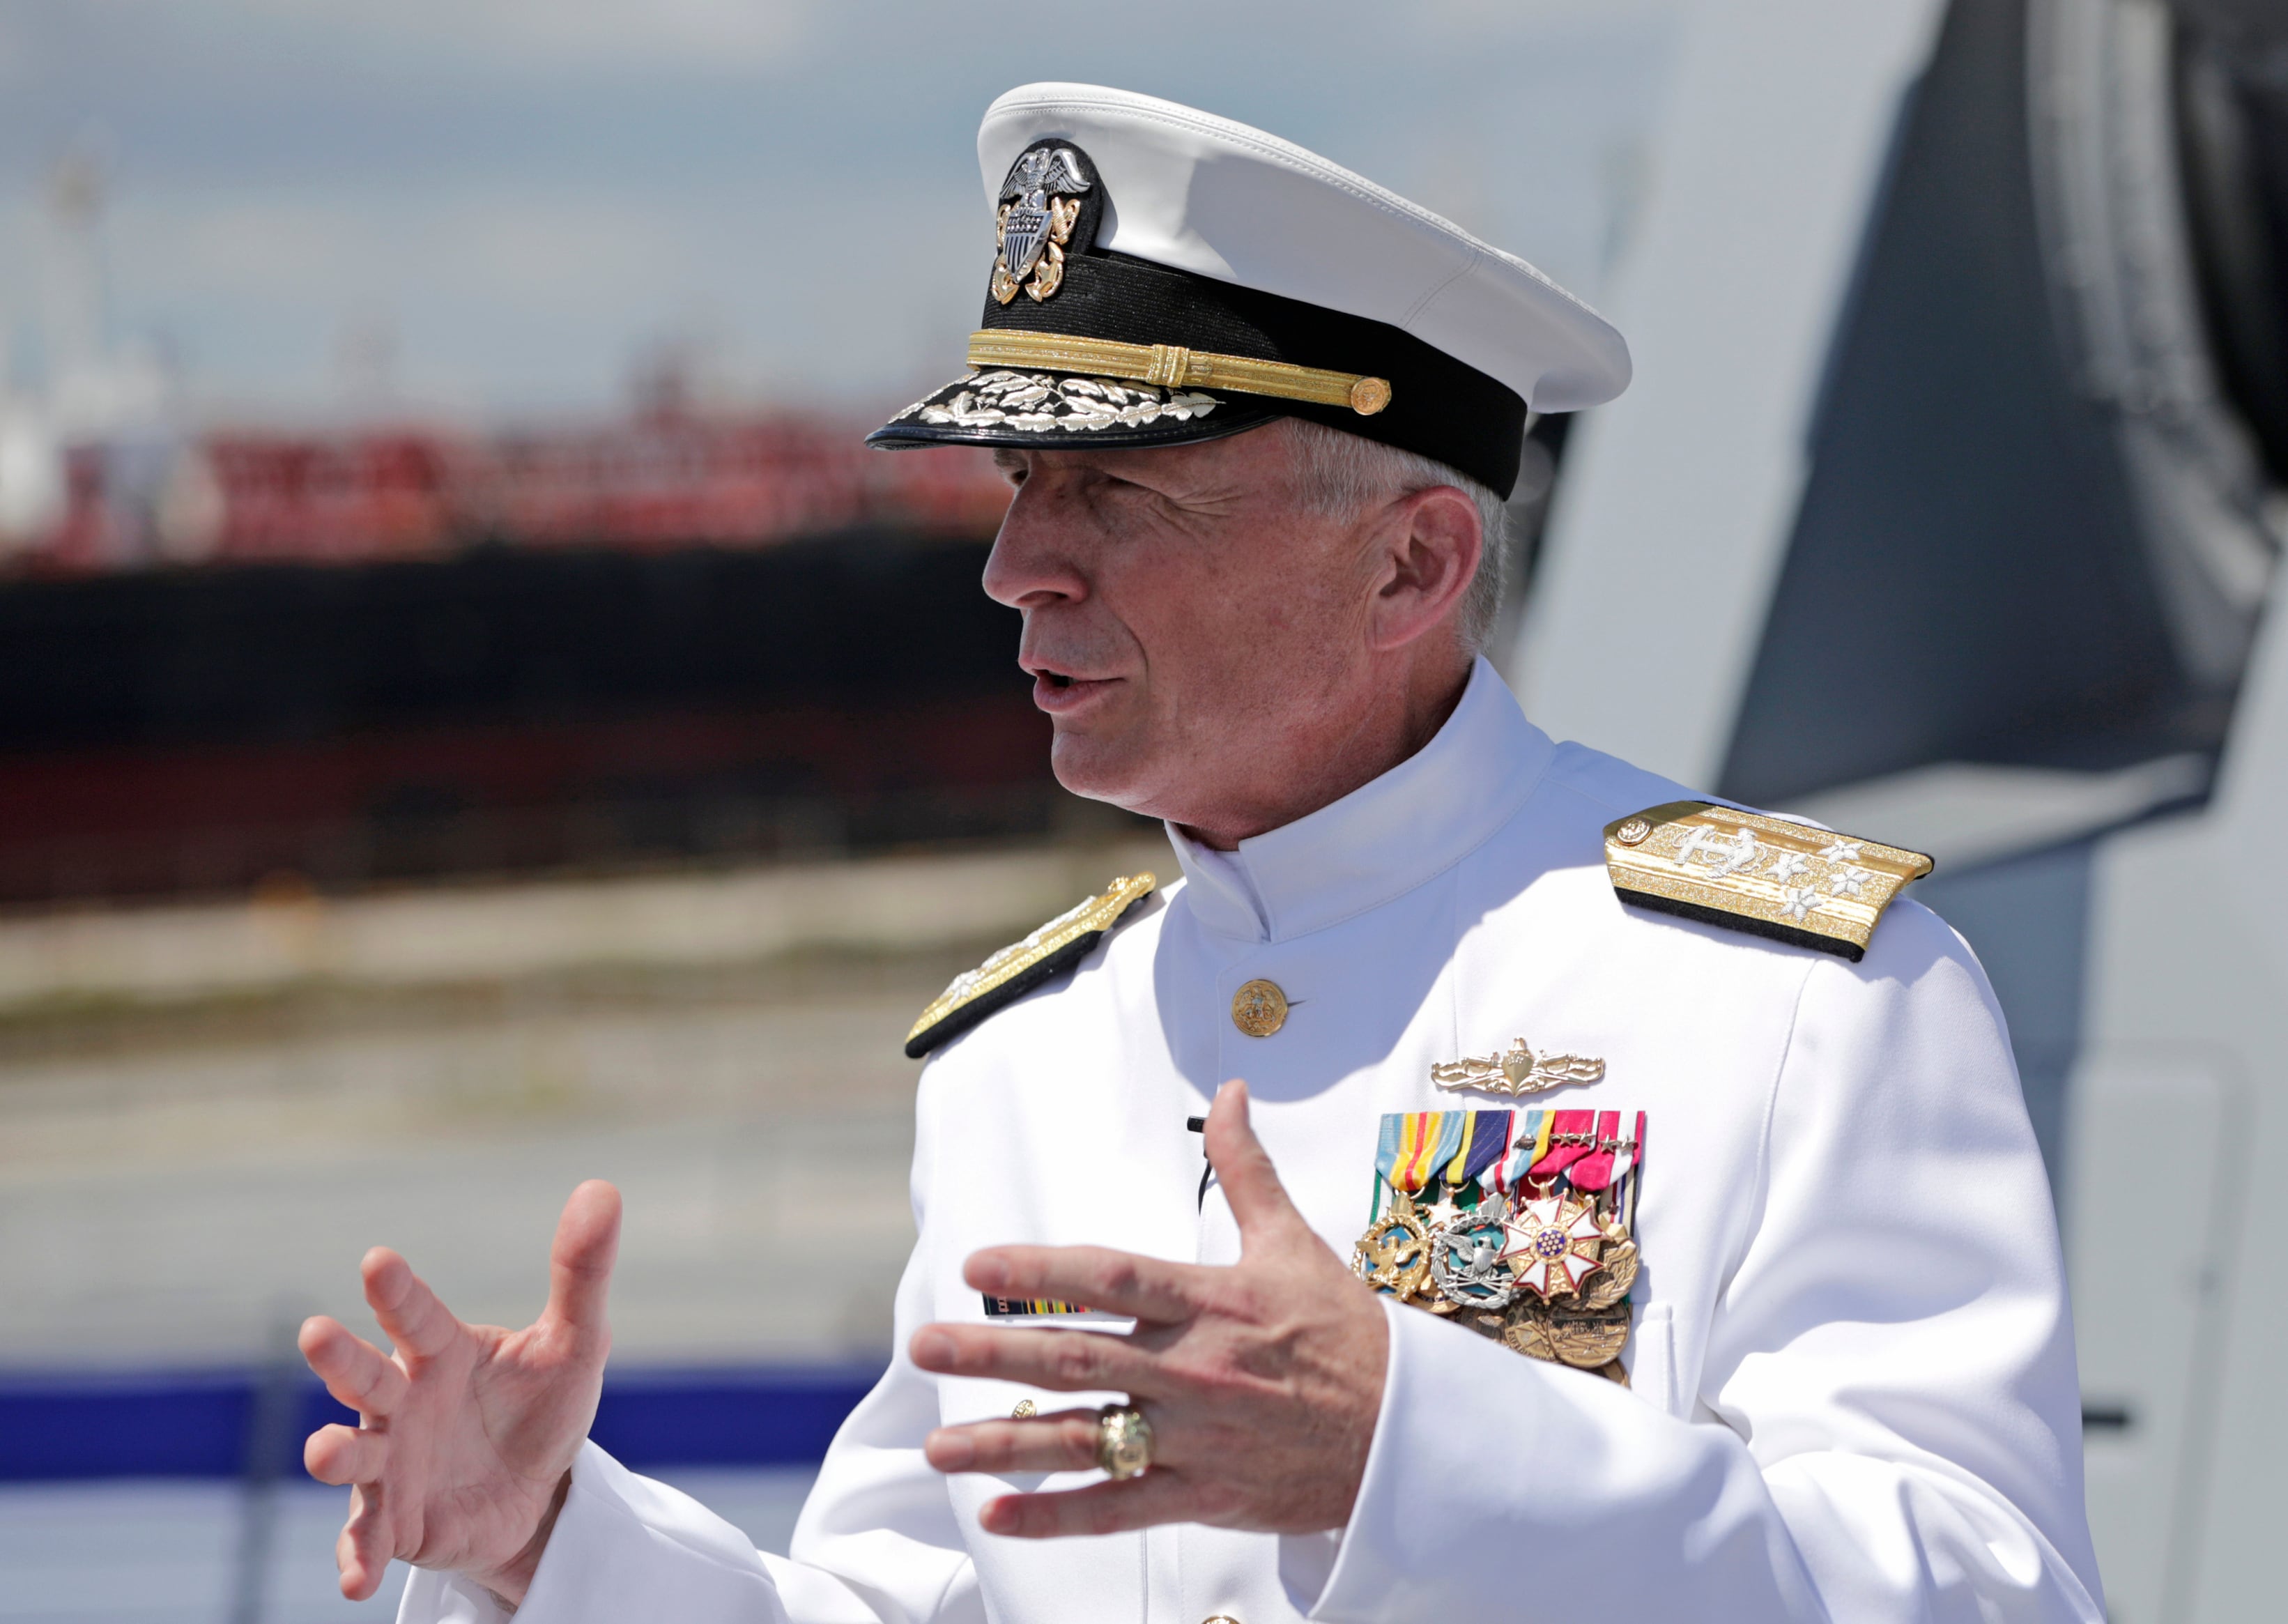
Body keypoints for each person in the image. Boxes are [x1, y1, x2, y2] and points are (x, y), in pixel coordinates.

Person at [297, 84, 2106, 1623]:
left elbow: (1982, 1583)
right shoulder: (1029, 1053)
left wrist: (1411, 1445)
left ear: (1410, 565)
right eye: (1015, 488)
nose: (1018, 568)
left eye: (1118, 494)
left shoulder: (1783, 993)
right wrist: (556, 1543)